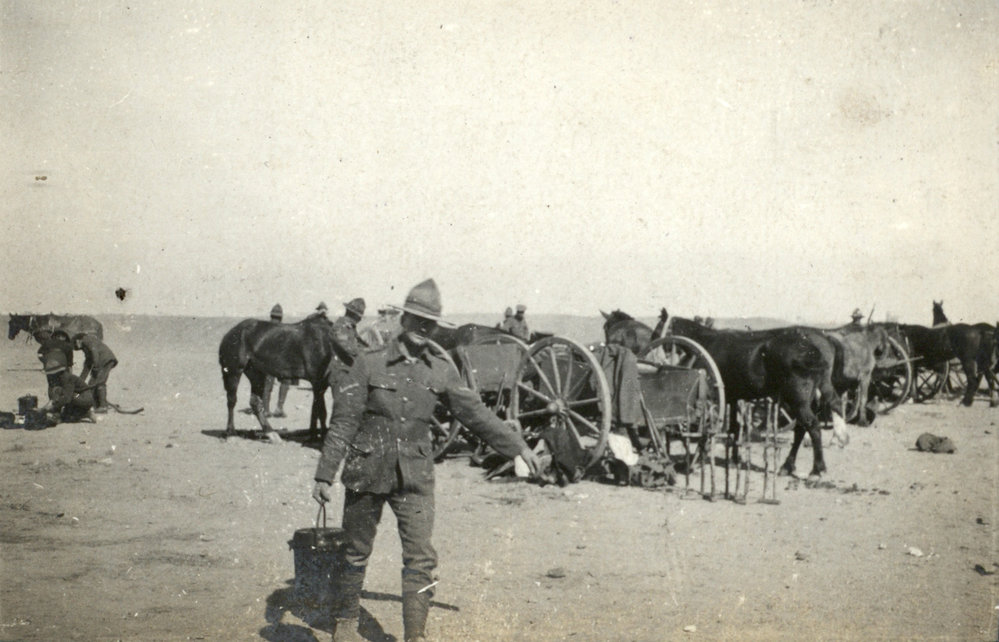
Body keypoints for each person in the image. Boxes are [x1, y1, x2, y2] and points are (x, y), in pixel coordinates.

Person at [312, 279, 541, 642]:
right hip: (367, 470)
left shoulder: (440, 369)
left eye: (429, 323)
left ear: (435, 327)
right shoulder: (367, 364)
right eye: (417, 320)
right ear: (404, 319)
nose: (423, 329)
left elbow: (475, 414)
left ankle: (414, 635)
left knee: (420, 559)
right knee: (355, 552)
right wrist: (325, 475)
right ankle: (345, 623)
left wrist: (518, 447)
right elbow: (344, 422)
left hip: (415, 477)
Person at [39, 350, 96, 423]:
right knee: (67, 417)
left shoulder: (67, 378)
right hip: (76, 395)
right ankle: (78, 413)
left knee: (65, 394)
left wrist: (52, 405)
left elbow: (67, 398)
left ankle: (86, 413)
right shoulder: (60, 378)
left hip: (83, 396)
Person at [72, 333, 118, 413]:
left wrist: (96, 367)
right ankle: (97, 405)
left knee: (98, 383)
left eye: (75, 344)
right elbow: (87, 366)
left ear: (78, 340)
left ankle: (103, 406)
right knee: (93, 383)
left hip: (104, 360)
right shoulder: (86, 347)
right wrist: (79, 382)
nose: (77, 348)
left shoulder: (86, 340)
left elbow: (94, 353)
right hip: (106, 360)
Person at [262, 304, 292, 418]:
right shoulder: (284, 329)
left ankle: (265, 409)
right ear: (281, 317)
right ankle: (279, 408)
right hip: (282, 363)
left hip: (268, 362)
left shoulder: (264, 329)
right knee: (285, 382)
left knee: (267, 385)